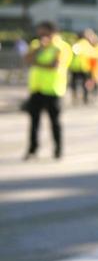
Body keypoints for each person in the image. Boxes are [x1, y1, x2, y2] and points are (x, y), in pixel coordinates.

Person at [24, 21, 71, 160]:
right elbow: (27, 59)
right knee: (34, 122)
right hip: (36, 89)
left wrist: (37, 62)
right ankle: (32, 149)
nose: (41, 36)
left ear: (52, 32)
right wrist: (39, 49)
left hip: (53, 90)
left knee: (55, 122)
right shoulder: (36, 45)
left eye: (44, 33)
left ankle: (58, 150)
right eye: (39, 33)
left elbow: (54, 65)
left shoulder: (61, 47)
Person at [70, 31, 95, 105]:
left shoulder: (77, 44)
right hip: (85, 67)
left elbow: (74, 53)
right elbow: (93, 55)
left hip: (75, 67)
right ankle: (85, 98)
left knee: (74, 84)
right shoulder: (88, 45)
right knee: (86, 84)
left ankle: (75, 97)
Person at [86, 29, 98, 99]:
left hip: (97, 68)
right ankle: (89, 95)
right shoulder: (90, 46)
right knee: (89, 82)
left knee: (96, 82)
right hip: (90, 67)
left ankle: (95, 95)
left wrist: (90, 53)